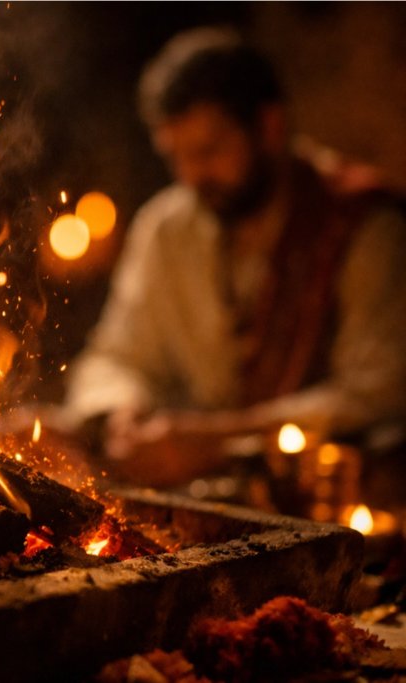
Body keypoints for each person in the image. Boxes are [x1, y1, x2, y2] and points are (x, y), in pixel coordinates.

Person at [58, 28, 406, 488]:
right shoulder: (167, 229)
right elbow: (115, 356)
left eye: (209, 151)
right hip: (208, 500)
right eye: (176, 157)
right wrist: (122, 413)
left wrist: (220, 442)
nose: (192, 176)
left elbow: (381, 393)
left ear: (270, 127)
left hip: (341, 499)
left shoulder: (363, 224)